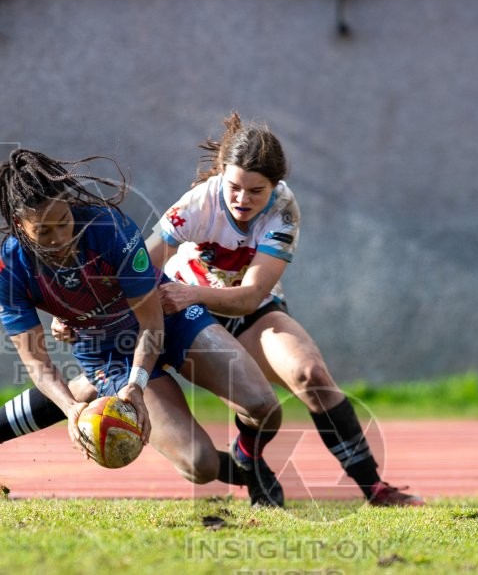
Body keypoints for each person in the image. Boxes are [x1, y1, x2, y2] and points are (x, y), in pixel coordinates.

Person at [0, 148, 286, 506]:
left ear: (71, 208)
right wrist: (72, 411)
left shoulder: (110, 229)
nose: (59, 240)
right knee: (199, 465)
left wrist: (135, 385)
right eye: (43, 232)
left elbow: (151, 324)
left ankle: (247, 459)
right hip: (106, 350)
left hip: (166, 320)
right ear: (19, 227)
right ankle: (241, 472)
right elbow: (37, 362)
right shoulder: (5, 271)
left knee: (263, 406)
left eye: (63, 223)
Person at [142, 112, 424, 507]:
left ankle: (372, 488)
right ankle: (255, 471)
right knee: (251, 403)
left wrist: (195, 294)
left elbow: (249, 295)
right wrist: (82, 312)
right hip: (191, 314)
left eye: (256, 191)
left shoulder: (284, 208)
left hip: (242, 303)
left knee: (311, 375)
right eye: (234, 187)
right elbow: (140, 267)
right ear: (222, 172)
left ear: (275, 185)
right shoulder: (197, 203)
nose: (242, 199)